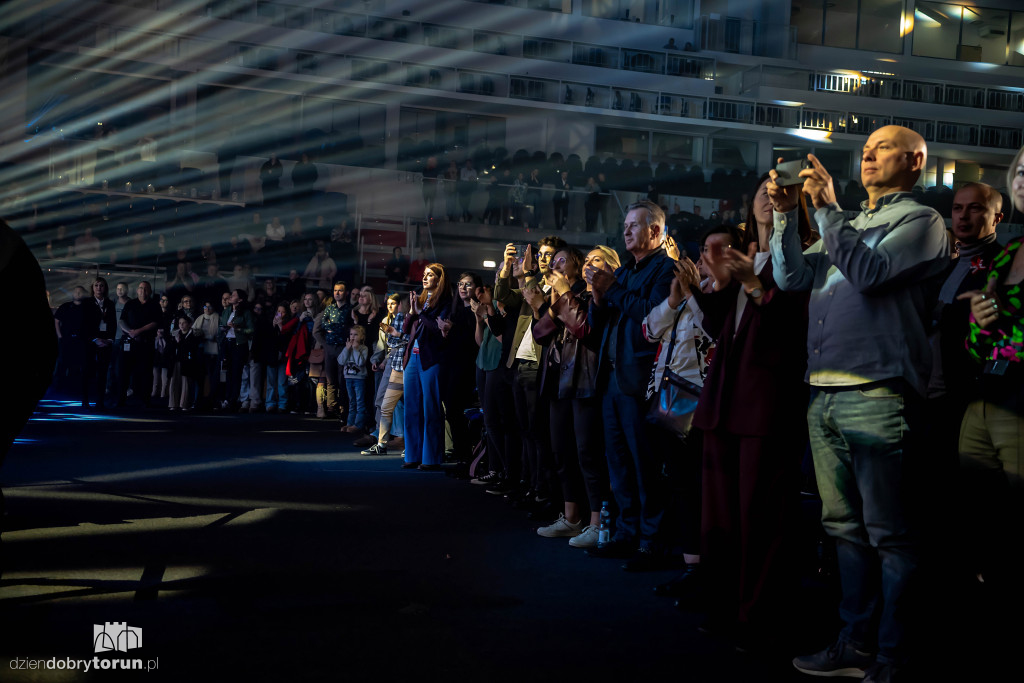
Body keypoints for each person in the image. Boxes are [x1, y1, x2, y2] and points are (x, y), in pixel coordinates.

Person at [770, 125, 950, 681]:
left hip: (878, 394)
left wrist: (826, 210)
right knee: (842, 528)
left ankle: (894, 655)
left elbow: (869, 275)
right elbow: (791, 275)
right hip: (823, 391)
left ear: (914, 161)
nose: (868, 154)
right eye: (866, 148)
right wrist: (783, 216)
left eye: (883, 148)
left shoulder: (922, 222)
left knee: (890, 534)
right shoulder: (849, 224)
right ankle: (856, 641)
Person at [686, 176, 812, 647]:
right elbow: (725, 329)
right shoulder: (746, 257)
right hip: (723, 402)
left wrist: (752, 284)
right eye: (763, 186)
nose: (769, 191)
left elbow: (789, 331)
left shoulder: (800, 256)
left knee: (760, 518)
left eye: (780, 187)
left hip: (765, 404)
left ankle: (757, 615)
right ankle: (723, 605)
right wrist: (708, 288)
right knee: (719, 520)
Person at [584, 199, 676, 568]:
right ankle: (626, 534)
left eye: (634, 225)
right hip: (611, 380)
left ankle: (651, 542)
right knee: (618, 462)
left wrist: (613, 290)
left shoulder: (665, 271)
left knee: (645, 465)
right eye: (625, 225)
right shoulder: (624, 273)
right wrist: (597, 295)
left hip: (639, 382)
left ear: (655, 231)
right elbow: (601, 321)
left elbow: (651, 317)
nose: (625, 231)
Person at [955, 153, 1024, 623]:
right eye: (1021, 171)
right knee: (979, 520)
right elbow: (976, 341)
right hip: (984, 396)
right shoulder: (1003, 254)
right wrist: (981, 321)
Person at [401, 263, 453, 471]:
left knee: (430, 407)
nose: (425, 278)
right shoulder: (420, 299)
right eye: (424, 275)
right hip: (412, 358)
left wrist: (420, 313)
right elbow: (406, 329)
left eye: (430, 275)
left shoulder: (446, 302)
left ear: (439, 279)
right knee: (411, 408)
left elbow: (438, 331)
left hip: (431, 358)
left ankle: (431, 458)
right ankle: (412, 455)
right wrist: (414, 312)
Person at [118, 281, 162, 408]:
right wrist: (130, 332)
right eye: (141, 288)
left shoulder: (154, 305)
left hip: (145, 344)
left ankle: (145, 401)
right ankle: (121, 400)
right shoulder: (130, 304)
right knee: (123, 372)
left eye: (146, 289)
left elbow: (155, 323)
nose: (143, 291)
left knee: (146, 373)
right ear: (137, 290)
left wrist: (138, 331)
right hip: (129, 343)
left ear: (150, 291)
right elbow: (121, 321)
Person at [218, 289, 255, 411]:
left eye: (233, 295)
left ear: (240, 299)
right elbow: (221, 326)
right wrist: (223, 329)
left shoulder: (246, 312)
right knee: (227, 373)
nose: (230, 297)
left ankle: (234, 400)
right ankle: (227, 399)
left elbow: (251, 330)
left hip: (239, 344)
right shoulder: (227, 311)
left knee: (236, 373)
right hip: (227, 343)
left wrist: (238, 329)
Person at [86, 277, 116, 410]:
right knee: (88, 372)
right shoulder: (87, 303)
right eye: (96, 285)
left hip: (105, 342)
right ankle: (85, 400)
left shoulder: (110, 303)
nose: (99, 288)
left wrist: (109, 340)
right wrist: (94, 339)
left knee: (103, 373)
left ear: (105, 288)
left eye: (102, 285)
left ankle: (100, 401)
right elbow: (83, 324)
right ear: (93, 288)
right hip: (91, 342)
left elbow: (113, 324)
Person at [339, 325, 370, 435]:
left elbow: (361, 363)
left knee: (359, 401)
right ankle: (350, 423)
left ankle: (358, 424)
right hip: (348, 378)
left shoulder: (364, 348)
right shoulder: (347, 347)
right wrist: (347, 349)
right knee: (351, 402)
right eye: (351, 334)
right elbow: (341, 361)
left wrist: (356, 349)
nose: (352, 337)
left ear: (362, 337)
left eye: (356, 335)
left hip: (359, 379)